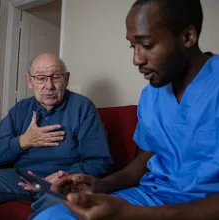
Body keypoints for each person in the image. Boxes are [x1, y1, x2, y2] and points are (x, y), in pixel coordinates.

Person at [33, 0, 219, 219]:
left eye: (147, 45)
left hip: (203, 208)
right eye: (133, 46)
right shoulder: (151, 95)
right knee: (51, 216)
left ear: (187, 37)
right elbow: (142, 162)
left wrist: (132, 214)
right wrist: (100, 185)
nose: (136, 59)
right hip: (150, 197)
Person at [0, 53, 112, 219]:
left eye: (56, 77)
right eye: (41, 78)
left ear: (66, 79)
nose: (49, 85)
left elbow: (100, 161)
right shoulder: (20, 109)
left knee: (60, 205)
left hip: (61, 182)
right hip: (20, 179)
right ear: (29, 81)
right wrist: (24, 141)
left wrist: (65, 177)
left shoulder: (82, 107)